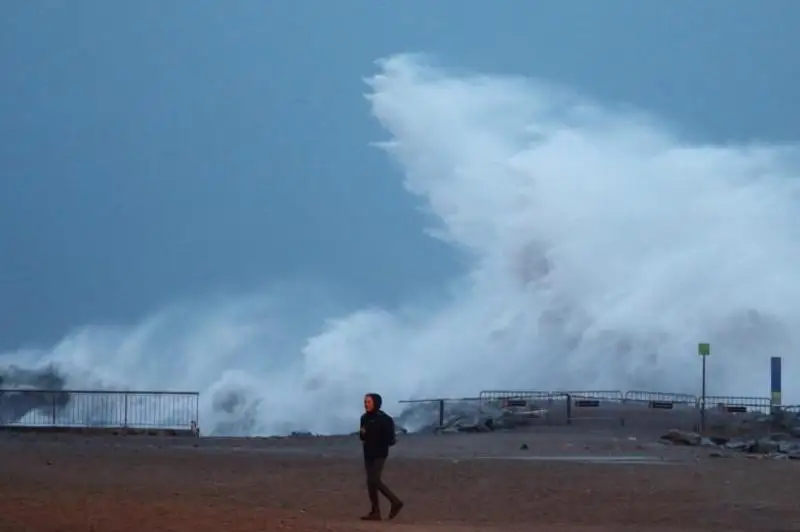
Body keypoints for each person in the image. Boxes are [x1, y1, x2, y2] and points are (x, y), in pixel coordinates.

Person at [359, 392, 404, 521]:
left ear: (376, 403)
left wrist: (381, 440)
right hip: (368, 453)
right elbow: (362, 437)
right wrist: (363, 434)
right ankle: (375, 512)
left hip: (380, 453)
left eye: (368, 402)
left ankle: (395, 502)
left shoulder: (385, 419)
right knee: (370, 482)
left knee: (375, 480)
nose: (365, 404)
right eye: (365, 402)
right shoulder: (364, 418)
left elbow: (391, 439)